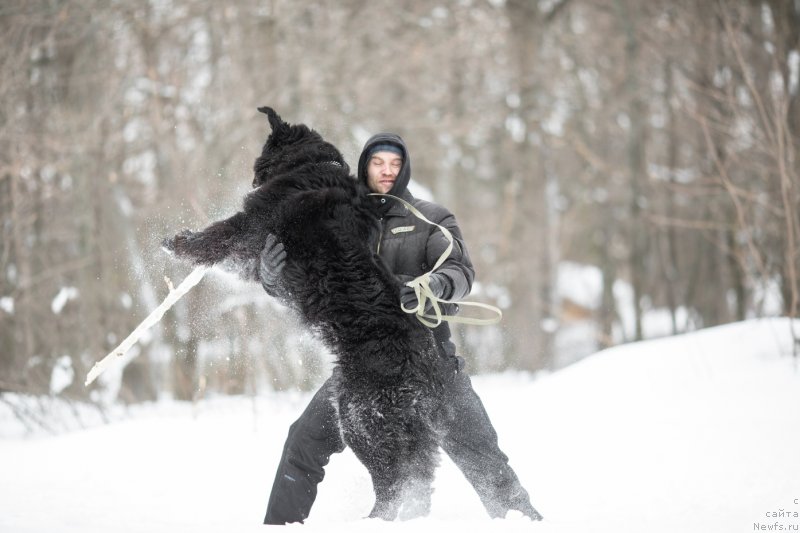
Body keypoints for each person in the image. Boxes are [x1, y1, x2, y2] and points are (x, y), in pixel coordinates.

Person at [260, 133, 542, 524]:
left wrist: (435, 285)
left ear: (405, 167)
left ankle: (524, 525)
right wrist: (273, 278)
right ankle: (279, 527)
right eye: (379, 163)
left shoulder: (431, 218)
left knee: (484, 459)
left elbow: (460, 270)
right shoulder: (339, 223)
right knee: (302, 442)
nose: (387, 171)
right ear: (365, 166)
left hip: (430, 364)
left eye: (394, 163)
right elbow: (308, 285)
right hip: (362, 370)